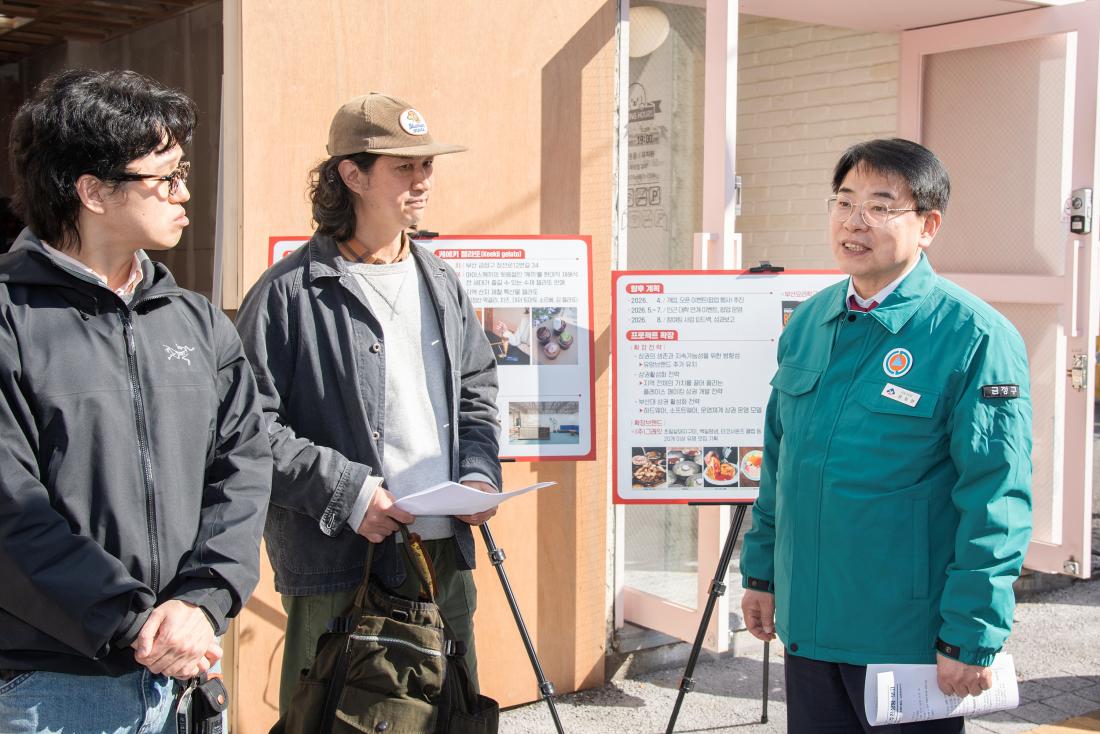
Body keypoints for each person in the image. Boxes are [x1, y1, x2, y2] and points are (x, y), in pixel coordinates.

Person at [0, 69, 272, 731]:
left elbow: (243, 465)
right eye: (166, 177)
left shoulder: (197, 321)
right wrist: (137, 619)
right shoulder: (11, 319)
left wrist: (202, 602)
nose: (185, 194)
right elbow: (12, 509)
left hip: (183, 675)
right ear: (91, 190)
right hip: (49, 684)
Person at [739, 138, 1033, 733]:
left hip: (907, 637)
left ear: (928, 226)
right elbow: (780, 465)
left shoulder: (974, 336)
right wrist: (762, 574)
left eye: (880, 205)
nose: (855, 221)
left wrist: (972, 633)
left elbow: (995, 497)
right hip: (811, 625)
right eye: (844, 201)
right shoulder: (811, 322)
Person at [235, 92, 502, 712]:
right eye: (404, 167)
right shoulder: (286, 295)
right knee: (332, 717)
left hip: (446, 550)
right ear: (352, 175)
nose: (424, 179)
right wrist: (348, 492)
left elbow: (477, 392)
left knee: (450, 715)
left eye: (427, 165)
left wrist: (480, 474)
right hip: (340, 559)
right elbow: (246, 431)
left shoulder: (441, 281)